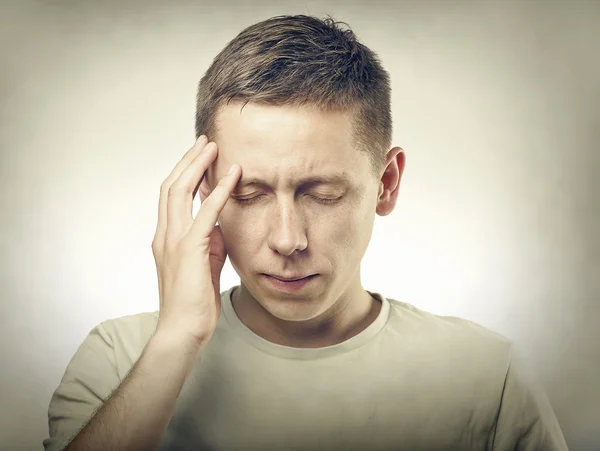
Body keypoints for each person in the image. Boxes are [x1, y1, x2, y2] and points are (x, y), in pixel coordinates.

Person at [43, 14, 568, 451]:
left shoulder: (486, 376)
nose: (287, 240)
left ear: (386, 183)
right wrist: (176, 341)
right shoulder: (119, 357)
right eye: (248, 195)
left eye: (322, 193)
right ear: (203, 189)